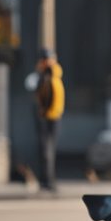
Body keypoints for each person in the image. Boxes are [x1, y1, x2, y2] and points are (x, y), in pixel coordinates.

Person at [33, 48, 64, 191]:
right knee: (46, 150)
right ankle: (46, 180)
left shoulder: (50, 74)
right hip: (47, 115)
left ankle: (48, 181)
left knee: (48, 150)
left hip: (52, 115)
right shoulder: (45, 75)